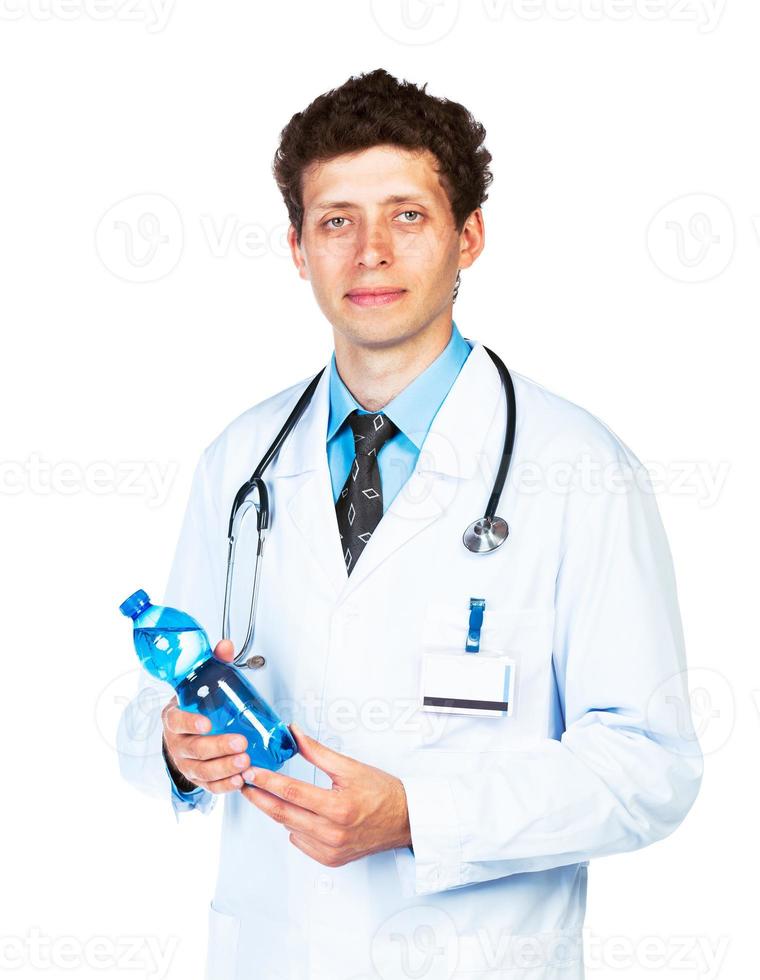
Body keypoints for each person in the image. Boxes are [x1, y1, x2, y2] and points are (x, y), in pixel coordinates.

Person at [117, 68, 703, 980]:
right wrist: (171, 747)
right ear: (298, 247)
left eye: (408, 215)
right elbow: (172, 690)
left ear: (468, 237)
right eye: (337, 220)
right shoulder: (238, 465)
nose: (370, 252)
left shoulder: (578, 468)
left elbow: (649, 767)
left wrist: (421, 817)